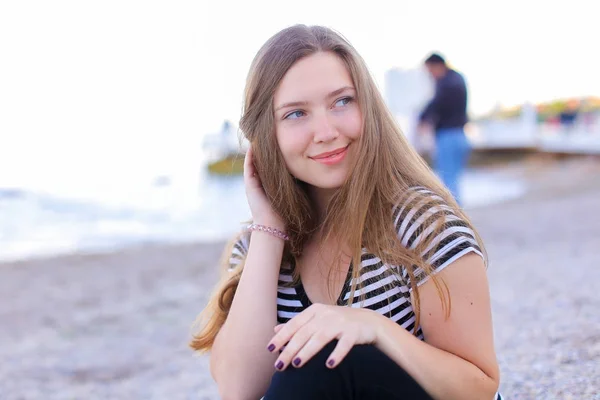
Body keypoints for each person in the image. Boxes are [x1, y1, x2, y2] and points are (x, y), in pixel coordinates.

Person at [190, 25, 503, 400]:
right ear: (265, 135)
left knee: (325, 355)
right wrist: (269, 227)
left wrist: (375, 329)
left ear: (367, 107)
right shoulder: (257, 247)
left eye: (341, 102)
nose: (325, 131)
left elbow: (481, 387)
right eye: (295, 114)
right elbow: (238, 390)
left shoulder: (423, 225)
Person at [418, 53, 470, 205]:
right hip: (460, 135)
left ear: (437, 66)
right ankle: (459, 216)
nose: (430, 75)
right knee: (454, 179)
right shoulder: (458, 79)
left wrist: (423, 119)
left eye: (430, 71)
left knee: (448, 182)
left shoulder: (446, 83)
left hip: (448, 136)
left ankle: (455, 219)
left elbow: (435, 103)